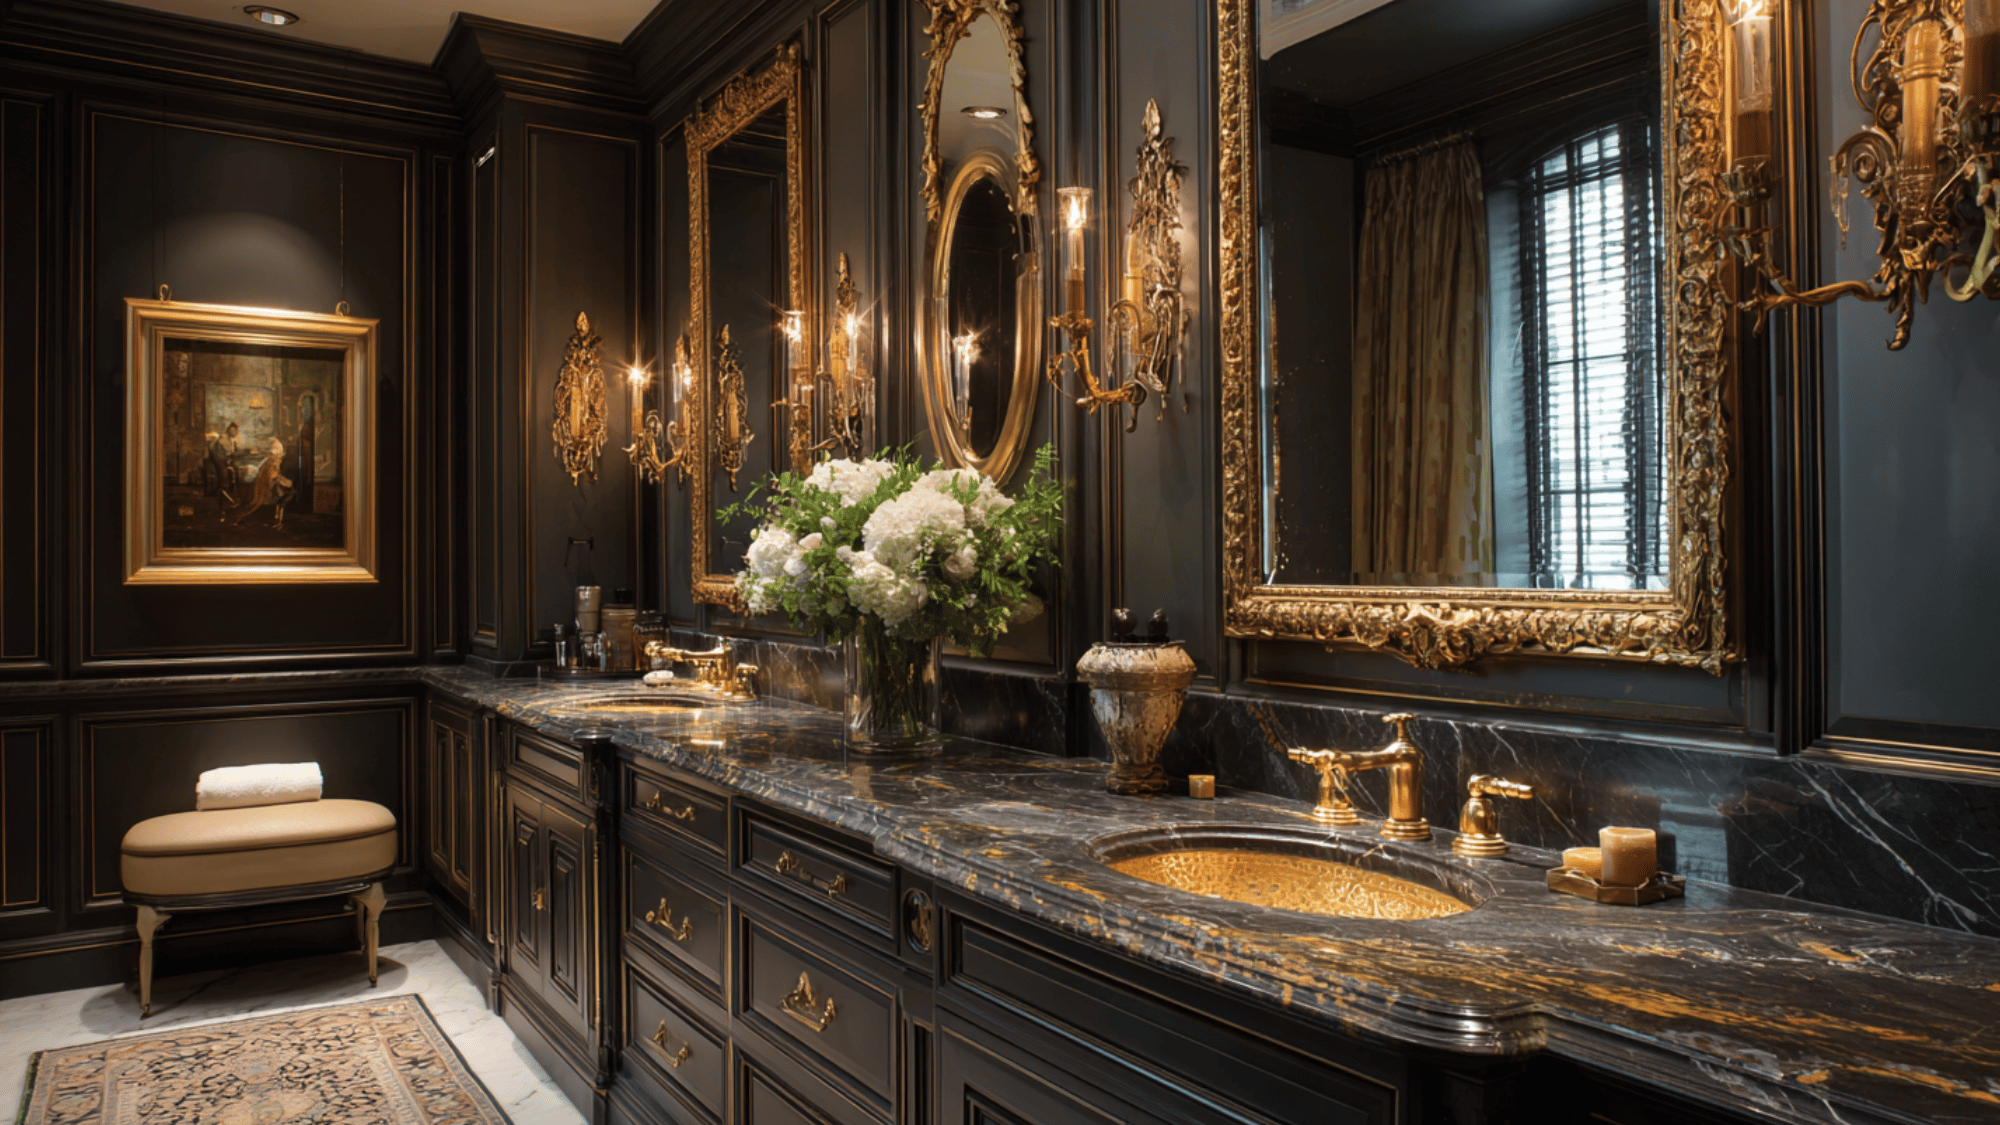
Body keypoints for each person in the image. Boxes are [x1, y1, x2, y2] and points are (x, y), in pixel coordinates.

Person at [223, 438, 296, 529]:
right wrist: (284, 483)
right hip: (266, 488)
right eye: (276, 447)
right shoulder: (272, 461)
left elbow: (273, 475)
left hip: (266, 486)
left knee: (254, 504)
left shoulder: (271, 459)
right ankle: (233, 518)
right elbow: (272, 477)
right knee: (254, 504)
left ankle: (277, 521)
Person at [205, 423, 240, 503]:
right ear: (229, 430)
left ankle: (233, 491)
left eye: (236, 430)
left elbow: (231, 452)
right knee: (224, 472)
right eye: (233, 430)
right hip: (219, 459)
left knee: (237, 468)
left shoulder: (232, 440)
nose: (235, 432)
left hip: (224, 459)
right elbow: (223, 452)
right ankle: (224, 491)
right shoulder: (223, 438)